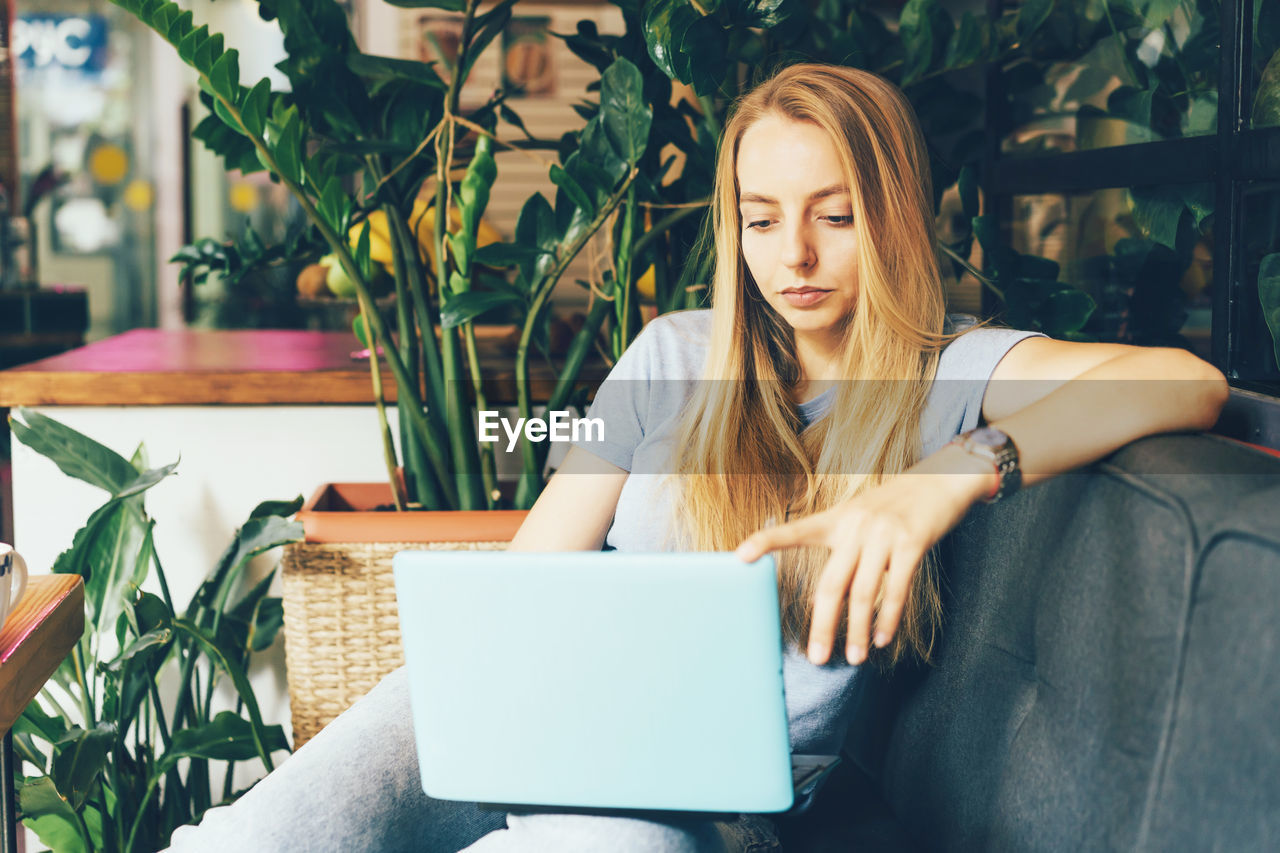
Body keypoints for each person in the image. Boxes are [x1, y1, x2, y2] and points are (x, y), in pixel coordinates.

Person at [167, 63, 1227, 851]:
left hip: (706, 802)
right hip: (540, 715)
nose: (793, 257)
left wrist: (945, 478)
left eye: (835, 216)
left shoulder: (951, 374)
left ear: (894, 214)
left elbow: (1184, 382)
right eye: (760, 221)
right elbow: (533, 579)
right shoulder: (670, 351)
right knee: (265, 834)